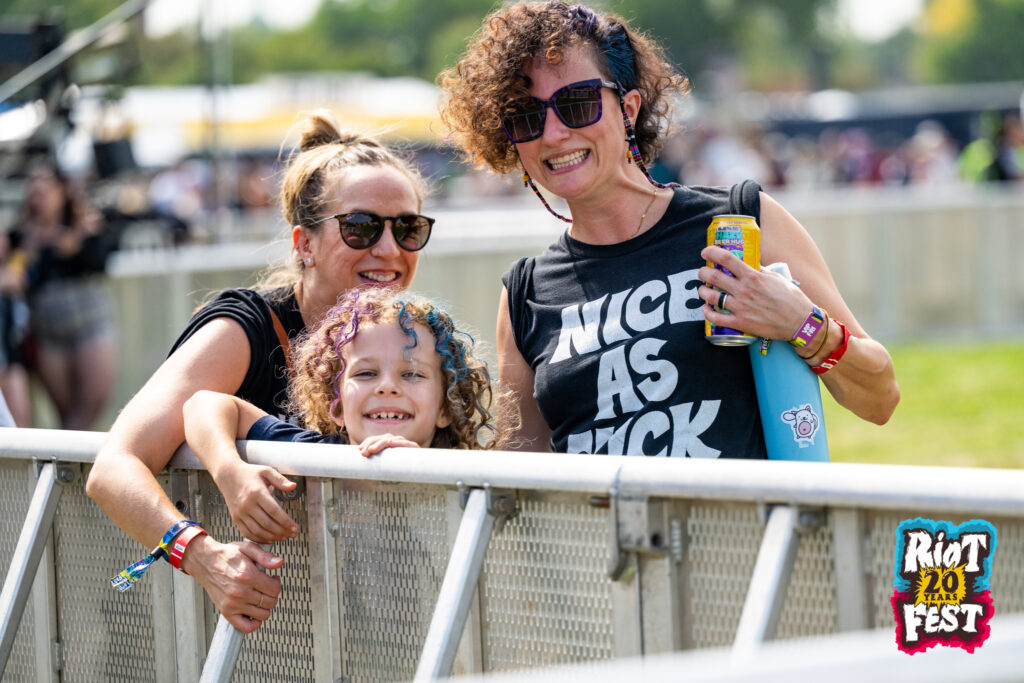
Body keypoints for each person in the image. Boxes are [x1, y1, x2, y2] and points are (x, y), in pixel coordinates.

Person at [439, 1, 899, 456]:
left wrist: (803, 324)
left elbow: (880, 398)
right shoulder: (524, 295)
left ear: (628, 109)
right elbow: (518, 479)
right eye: (526, 117)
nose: (553, 133)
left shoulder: (740, 221)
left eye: (577, 104)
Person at [86, 110, 434, 632]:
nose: (389, 249)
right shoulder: (244, 330)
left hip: (361, 624)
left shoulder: (406, 337)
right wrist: (204, 556)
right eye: (361, 228)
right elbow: (113, 469)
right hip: (225, 631)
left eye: (408, 228)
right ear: (304, 244)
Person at [182, 287, 503, 544]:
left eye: (412, 374)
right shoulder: (315, 459)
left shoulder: (466, 484)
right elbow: (202, 405)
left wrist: (417, 478)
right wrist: (229, 471)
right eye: (366, 373)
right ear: (336, 406)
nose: (387, 387)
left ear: (446, 407)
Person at [6, 163, 119, 430]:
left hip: (90, 324)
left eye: (45, 191)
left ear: (62, 192)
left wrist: (80, 239)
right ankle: (66, 453)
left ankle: (66, 452)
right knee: (66, 411)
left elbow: (101, 260)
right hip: (48, 331)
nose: (40, 198)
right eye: (35, 193)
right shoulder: (21, 236)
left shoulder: (82, 224)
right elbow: (20, 279)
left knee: (91, 402)